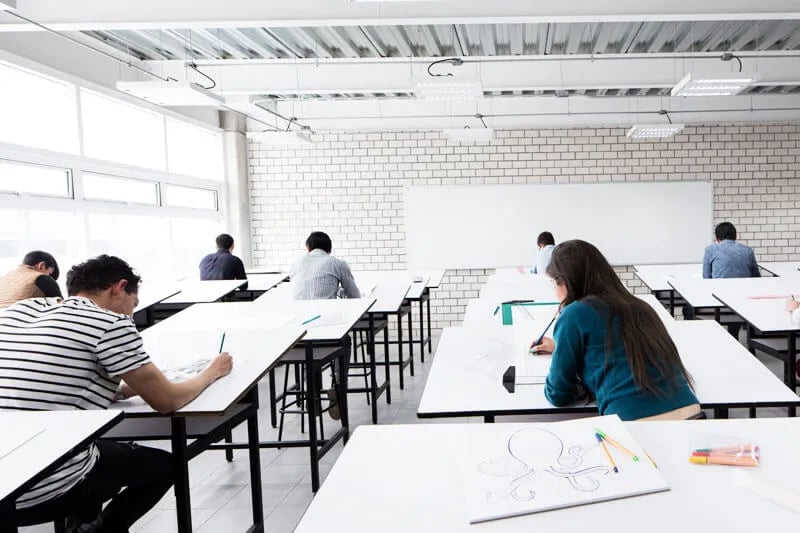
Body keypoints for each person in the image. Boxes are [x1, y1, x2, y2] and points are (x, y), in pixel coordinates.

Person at [0, 255, 233, 532]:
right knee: (165, 466)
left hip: (8, 474)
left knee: (99, 452)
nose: (131, 316)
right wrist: (211, 372)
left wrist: (119, 391)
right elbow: (167, 401)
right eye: (133, 306)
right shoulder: (108, 322)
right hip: (42, 485)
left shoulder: (17, 311)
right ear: (119, 287)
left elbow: (43, 380)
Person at [530, 240, 701, 421]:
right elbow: (617, 353)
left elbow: (557, 394)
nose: (555, 292)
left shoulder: (574, 314)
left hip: (635, 426)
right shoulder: (641, 306)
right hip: (691, 415)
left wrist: (563, 354)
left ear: (566, 282)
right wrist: (560, 348)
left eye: (553, 284)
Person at [689, 222, 759, 337]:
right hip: (743, 306)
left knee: (688, 309)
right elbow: (756, 278)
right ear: (735, 236)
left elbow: (706, 278)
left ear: (717, 238)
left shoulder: (710, 250)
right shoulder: (748, 251)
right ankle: (734, 336)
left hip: (719, 304)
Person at [290, 231, 360, 300]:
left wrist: (336, 289)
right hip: (325, 310)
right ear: (329, 249)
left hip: (297, 310)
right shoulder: (337, 263)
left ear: (308, 248)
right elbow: (354, 296)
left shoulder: (295, 264)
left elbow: (310, 287)